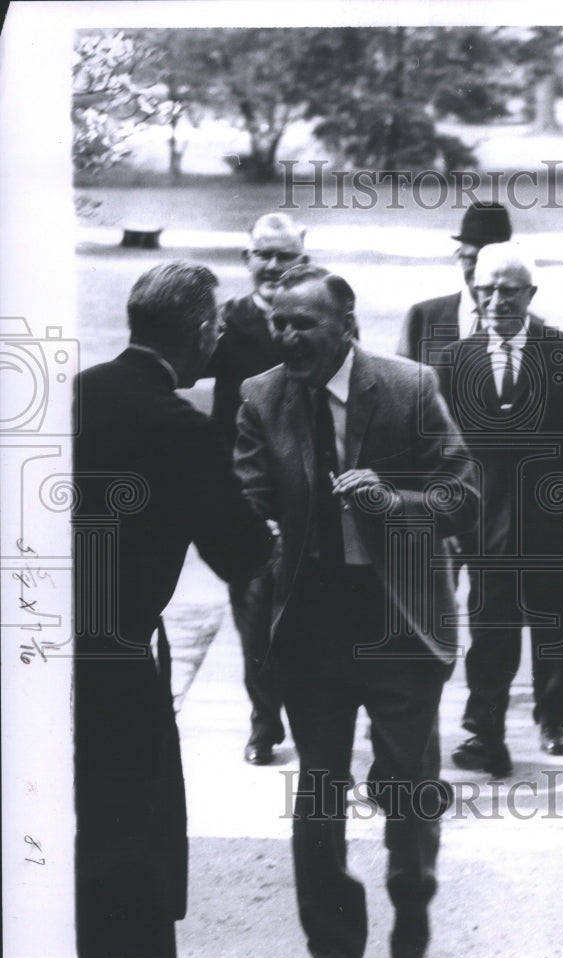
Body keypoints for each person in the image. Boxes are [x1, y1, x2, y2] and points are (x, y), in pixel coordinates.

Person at [234, 264, 479, 958]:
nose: (287, 337)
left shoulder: (409, 387)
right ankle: (333, 941)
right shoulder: (262, 396)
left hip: (398, 617)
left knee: (406, 780)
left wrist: (393, 504)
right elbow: (247, 494)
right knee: (319, 789)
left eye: (302, 324)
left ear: (347, 326)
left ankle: (410, 890)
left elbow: (461, 497)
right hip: (309, 623)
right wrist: (257, 534)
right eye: (278, 323)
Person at [72, 262, 274, 958]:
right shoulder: (178, 427)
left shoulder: (75, 395)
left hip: (51, 647)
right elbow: (241, 551)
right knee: (134, 838)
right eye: (216, 326)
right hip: (120, 659)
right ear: (196, 332)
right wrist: (269, 534)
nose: (219, 338)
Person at [441, 243, 563, 775]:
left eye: (509, 290)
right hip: (488, 530)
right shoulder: (454, 362)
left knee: (554, 631)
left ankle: (554, 719)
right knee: (490, 633)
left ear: (530, 294)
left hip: (560, 528)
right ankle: (485, 731)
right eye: (488, 289)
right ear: (475, 293)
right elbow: (443, 452)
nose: (498, 300)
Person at [206, 212, 309, 765]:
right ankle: (264, 723)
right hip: (244, 493)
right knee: (253, 611)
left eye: (283, 254)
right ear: (247, 258)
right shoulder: (226, 323)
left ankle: (321, 715)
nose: (272, 266)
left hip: (311, 492)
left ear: (303, 255)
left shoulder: (326, 313)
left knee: (313, 611)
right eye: (262, 255)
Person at [396, 201, 513, 389]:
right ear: (459, 255)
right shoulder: (422, 318)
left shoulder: (529, 326)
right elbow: (401, 394)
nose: (480, 271)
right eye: (472, 259)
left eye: (489, 261)